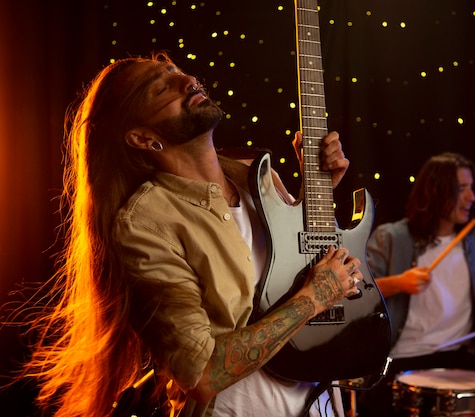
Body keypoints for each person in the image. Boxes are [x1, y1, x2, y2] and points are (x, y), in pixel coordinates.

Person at [19, 52, 365, 417]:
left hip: (321, 404)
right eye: (162, 88)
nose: (188, 82)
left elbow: (293, 274)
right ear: (141, 137)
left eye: (179, 73)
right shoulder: (146, 223)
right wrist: (314, 298)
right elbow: (200, 375)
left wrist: (317, 193)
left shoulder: (259, 178)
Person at [356, 152, 475, 417]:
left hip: (461, 354)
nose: (472, 197)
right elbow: (357, 291)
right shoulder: (391, 237)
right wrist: (398, 283)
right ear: (435, 193)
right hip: (403, 356)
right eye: (461, 189)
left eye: (472, 188)